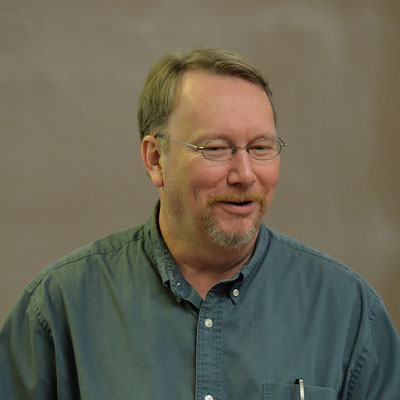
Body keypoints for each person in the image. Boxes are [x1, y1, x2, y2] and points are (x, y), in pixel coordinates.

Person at [0, 48, 399, 399]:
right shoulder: (60, 308)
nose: (245, 173)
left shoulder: (348, 311)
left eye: (260, 148)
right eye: (216, 148)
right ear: (155, 159)